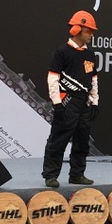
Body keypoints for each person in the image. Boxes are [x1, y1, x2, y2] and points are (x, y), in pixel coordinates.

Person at [42, 10, 100, 188]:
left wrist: (95, 101)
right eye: (88, 31)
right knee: (58, 139)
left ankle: (77, 174)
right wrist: (57, 103)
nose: (91, 35)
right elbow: (53, 79)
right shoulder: (62, 52)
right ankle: (51, 175)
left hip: (84, 102)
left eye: (92, 32)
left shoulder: (90, 55)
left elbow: (93, 80)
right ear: (76, 29)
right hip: (67, 100)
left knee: (82, 140)